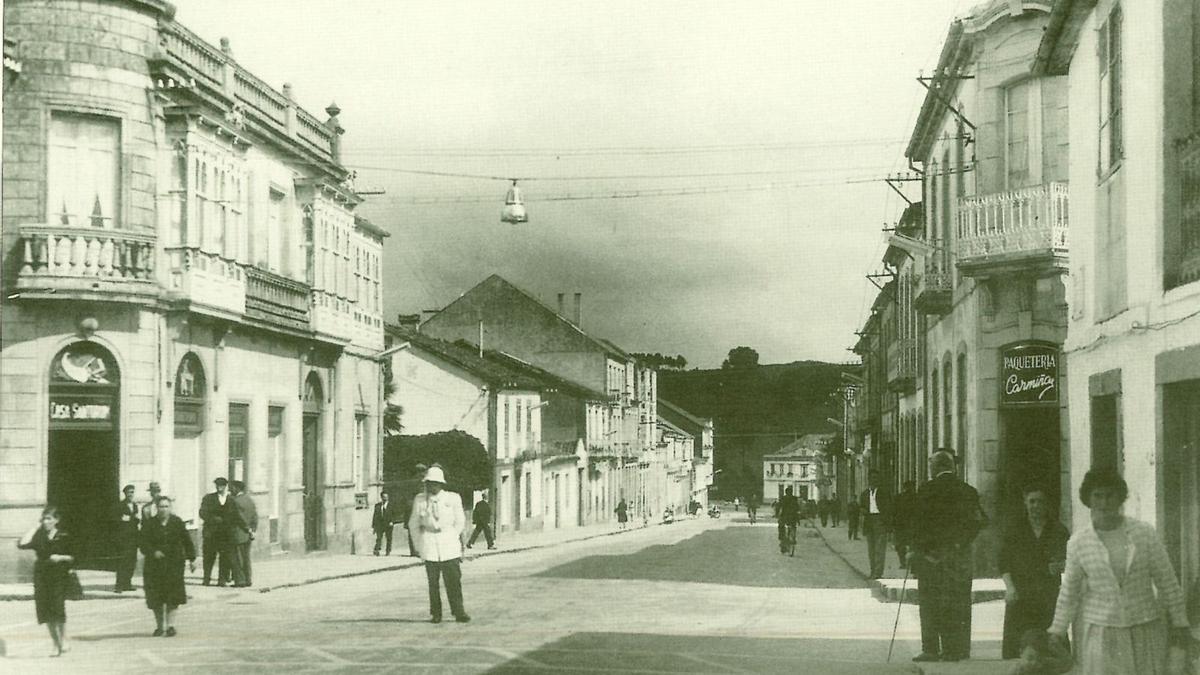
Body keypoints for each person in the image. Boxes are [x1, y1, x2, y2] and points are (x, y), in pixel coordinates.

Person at [1047, 467, 1191, 674]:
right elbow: (1069, 591)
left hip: (1144, 626)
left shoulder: (1144, 534)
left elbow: (1167, 581)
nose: (1104, 503)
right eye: (1098, 496)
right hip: (1101, 631)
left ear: (1120, 498)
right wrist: (1057, 629)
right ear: (1088, 499)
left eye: (1109, 495)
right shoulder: (1079, 542)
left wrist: (1180, 621)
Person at [908, 450, 987, 663]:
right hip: (958, 556)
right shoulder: (968, 491)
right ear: (953, 467)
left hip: (931, 557)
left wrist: (919, 550)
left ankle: (931, 649)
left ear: (934, 468)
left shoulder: (926, 490)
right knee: (959, 600)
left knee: (930, 601)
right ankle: (958, 649)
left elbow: (917, 525)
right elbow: (980, 521)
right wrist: (961, 542)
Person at [999, 485, 1069, 660]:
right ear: (1025, 502)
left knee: (1053, 653)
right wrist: (1010, 588)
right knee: (1017, 654)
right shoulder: (1015, 530)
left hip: (1048, 595)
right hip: (1020, 595)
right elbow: (1004, 562)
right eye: (1032, 501)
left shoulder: (1059, 530)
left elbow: (1071, 560)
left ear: (1047, 504)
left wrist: (1062, 565)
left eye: (1040, 501)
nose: (1035, 505)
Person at [409, 466, 469, 623]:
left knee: (453, 581)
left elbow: (460, 521)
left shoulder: (453, 498)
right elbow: (413, 524)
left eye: (434, 483)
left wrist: (452, 537)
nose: (431, 486)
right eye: (428, 483)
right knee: (433, 583)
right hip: (429, 544)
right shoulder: (420, 500)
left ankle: (459, 611)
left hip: (448, 543)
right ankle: (436, 613)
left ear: (441, 484)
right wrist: (419, 546)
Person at [17, 506, 75, 657]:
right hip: (42, 576)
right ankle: (55, 644)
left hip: (58, 576)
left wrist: (60, 557)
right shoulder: (39, 536)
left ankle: (62, 639)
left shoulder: (64, 535)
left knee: (58, 609)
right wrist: (35, 526)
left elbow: (74, 557)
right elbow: (22, 544)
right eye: (44, 518)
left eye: (49, 518)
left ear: (57, 520)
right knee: (46, 611)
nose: (46, 521)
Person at [140, 496, 196, 637]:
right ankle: (160, 626)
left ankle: (170, 626)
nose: (163, 509)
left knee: (173, 596)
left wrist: (192, 559)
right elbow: (142, 543)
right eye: (161, 506)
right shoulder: (150, 524)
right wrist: (153, 551)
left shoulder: (177, 522)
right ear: (156, 508)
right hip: (154, 566)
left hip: (174, 564)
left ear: (170, 508)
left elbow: (187, 541)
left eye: (166, 506)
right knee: (156, 597)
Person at [198, 477, 234, 586]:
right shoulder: (208, 498)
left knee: (225, 557)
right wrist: (212, 519)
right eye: (218, 486)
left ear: (225, 486)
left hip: (225, 534)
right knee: (208, 556)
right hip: (211, 533)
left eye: (222, 486)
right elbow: (202, 512)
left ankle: (222, 579)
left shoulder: (231, 500)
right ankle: (206, 578)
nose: (219, 488)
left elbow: (234, 515)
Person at [859, 470, 894, 578]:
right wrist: (863, 510)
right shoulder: (864, 494)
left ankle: (878, 573)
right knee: (871, 549)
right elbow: (861, 506)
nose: (875, 480)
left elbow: (889, 508)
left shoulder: (884, 493)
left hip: (880, 521)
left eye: (876, 478)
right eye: (873, 478)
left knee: (880, 549)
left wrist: (887, 523)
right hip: (869, 521)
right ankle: (873, 571)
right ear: (869, 479)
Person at [230, 480, 257, 587]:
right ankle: (248, 579)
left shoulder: (235, 501)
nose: (230, 489)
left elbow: (239, 517)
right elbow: (255, 516)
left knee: (237, 558)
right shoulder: (249, 500)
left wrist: (247, 528)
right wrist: (253, 530)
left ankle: (240, 581)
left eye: (232, 487)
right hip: (248, 535)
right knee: (246, 557)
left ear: (237, 488)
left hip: (238, 533)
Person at [113, 484, 140, 592]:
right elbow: (116, 520)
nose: (131, 494)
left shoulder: (135, 506)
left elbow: (135, 520)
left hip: (133, 537)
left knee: (131, 561)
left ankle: (127, 583)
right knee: (122, 561)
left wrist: (133, 519)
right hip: (123, 538)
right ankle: (119, 585)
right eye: (129, 492)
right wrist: (125, 519)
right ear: (125, 493)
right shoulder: (120, 506)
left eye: (132, 492)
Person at [893, 481, 919, 570]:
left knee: (901, 546)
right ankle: (911, 564)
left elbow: (894, 512)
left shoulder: (899, 497)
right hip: (912, 525)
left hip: (901, 526)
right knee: (912, 546)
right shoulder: (917, 498)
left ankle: (903, 562)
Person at [777, 487, 800, 554]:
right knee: (793, 527)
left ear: (785, 492)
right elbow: (797, 508)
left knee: (781, 528)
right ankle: (793, 538)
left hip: (784, 517)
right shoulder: (794, 498)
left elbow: (779, 507)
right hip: (793, 517)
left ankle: (782, 541)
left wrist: (777, 515)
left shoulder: (783, 498)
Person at [373, 491, 397, 555]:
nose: (385, 498)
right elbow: (375, 516)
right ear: (381, 497)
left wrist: (392, 521)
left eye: (386, 497)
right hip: (380, 524)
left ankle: (388, 550)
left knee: (389, 538)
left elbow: (394, 515)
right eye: (384, 497)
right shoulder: (377, 506)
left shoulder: (391, 505)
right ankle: (377, 550)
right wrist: (374, 525)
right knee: (379, 538)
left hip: (388, 524)